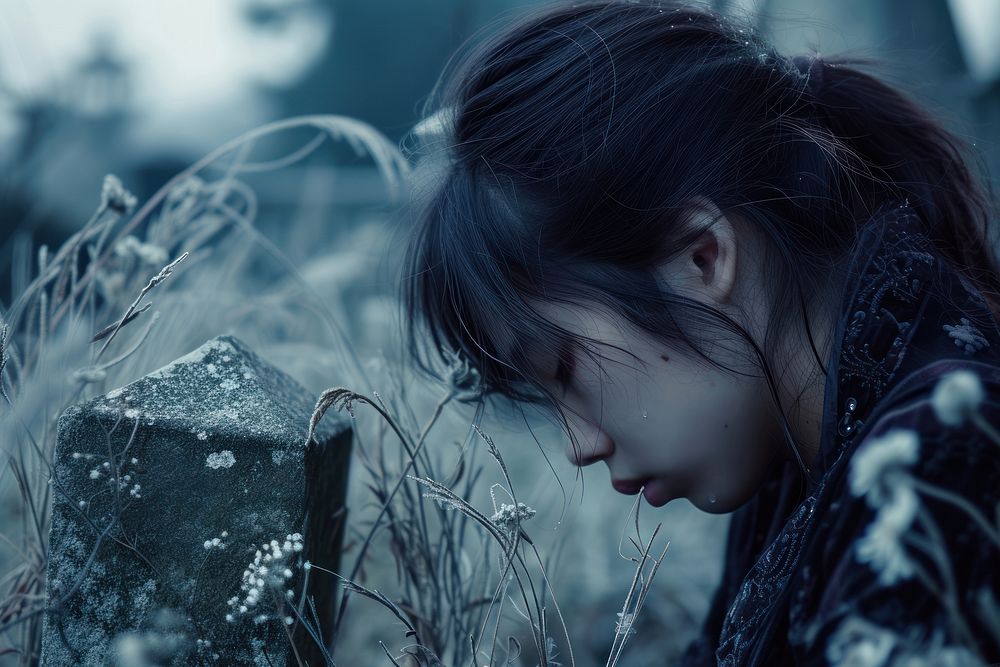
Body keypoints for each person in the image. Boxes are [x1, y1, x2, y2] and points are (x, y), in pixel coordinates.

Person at [398, 0, 1000, 663]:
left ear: (701, 258)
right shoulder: (802, 453)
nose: (580, 445)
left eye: (563, 366)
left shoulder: (945, 461)